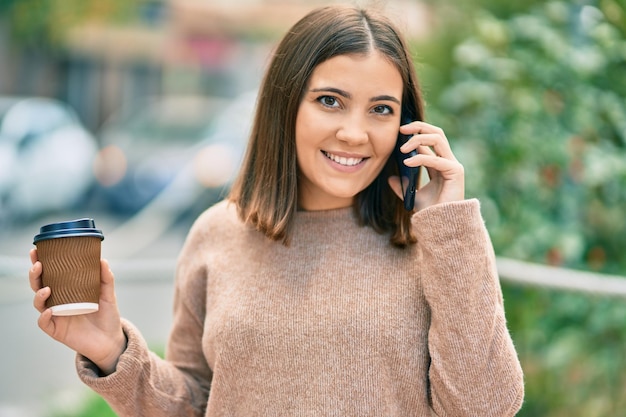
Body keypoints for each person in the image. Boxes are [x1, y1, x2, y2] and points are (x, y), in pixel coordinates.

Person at [29, 4, 524, 416]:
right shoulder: (216, 233)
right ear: (284, 105)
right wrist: (112, 351)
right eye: (330, 101)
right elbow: (196, 402)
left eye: (380, 109)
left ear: (406, 124)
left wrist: (450, 229)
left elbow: (486, 407)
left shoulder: (435, 243)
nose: (355, 133)